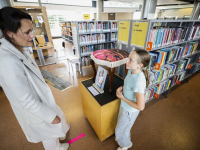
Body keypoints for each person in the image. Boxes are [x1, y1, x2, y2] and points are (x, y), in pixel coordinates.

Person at [0, 7, 70, 150]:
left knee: (59, 119)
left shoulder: (18, 48)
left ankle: (61, 135)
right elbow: (26, 99)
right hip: (37, 110)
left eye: (32, 30)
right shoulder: (7, 61)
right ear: (10, 33)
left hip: (43, 101)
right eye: (27, 32)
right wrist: (49, 116)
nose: (33, 35)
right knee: (48, 135)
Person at [115, 49, 151, 150]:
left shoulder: (139, 81)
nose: (126, 61)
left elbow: (141, 107)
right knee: (122, 128)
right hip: (124, 106)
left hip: (130, 111)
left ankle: (126, 145)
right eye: (128, 58)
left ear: (140, 65)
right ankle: (124, 141)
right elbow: (128, 84)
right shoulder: (132, 70)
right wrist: (121, 88)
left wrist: (122, 97)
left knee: (121, 131)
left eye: (131, 60)